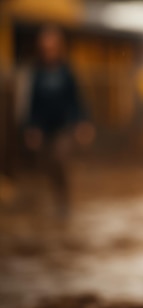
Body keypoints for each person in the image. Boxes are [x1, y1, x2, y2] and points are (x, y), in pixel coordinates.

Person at [24, 25, 91, 219]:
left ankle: (64, 202)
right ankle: (58, 198)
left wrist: (82, 122)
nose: (49, 49)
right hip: (45, 128)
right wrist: (32, 127)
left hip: (65, 126)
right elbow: (33, 102)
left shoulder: (66, 71)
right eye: (46, 45)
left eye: (52, 45)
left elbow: (77, 99)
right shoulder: (37, 72)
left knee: (59, 159)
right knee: (48, 166)